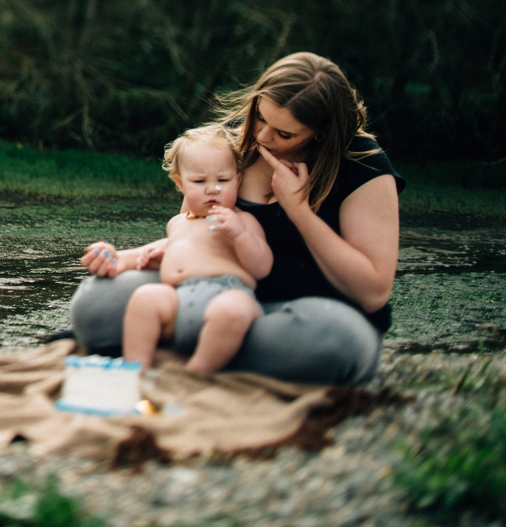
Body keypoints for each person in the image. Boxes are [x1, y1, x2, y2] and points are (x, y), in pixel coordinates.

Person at [73, 52, 403, 385]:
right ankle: (207, 355)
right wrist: (125, 258)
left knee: (336, 344)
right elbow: (193, 231)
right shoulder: (232, 141)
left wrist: (299, 211)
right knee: (95, 306)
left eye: (284, 134)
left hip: (300, 315)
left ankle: (179, 356)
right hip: (208, 297)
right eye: (260, 116)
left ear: (322, 132)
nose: (262, 136)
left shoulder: (364, 167)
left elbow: (372, 292)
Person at [113, 125, 271, 374]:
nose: (212, 189)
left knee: (234, 309)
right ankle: (135, 367)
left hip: (227, 293)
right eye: (199, 181)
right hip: (178, 299)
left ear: (238, 180)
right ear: (181, 184)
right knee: (145, 297)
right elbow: (183, 250)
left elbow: (262, 267)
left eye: (223, 180)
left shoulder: (243, 222)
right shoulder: (178, 222)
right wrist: (159, 257)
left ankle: (197, 372)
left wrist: (239, 235)